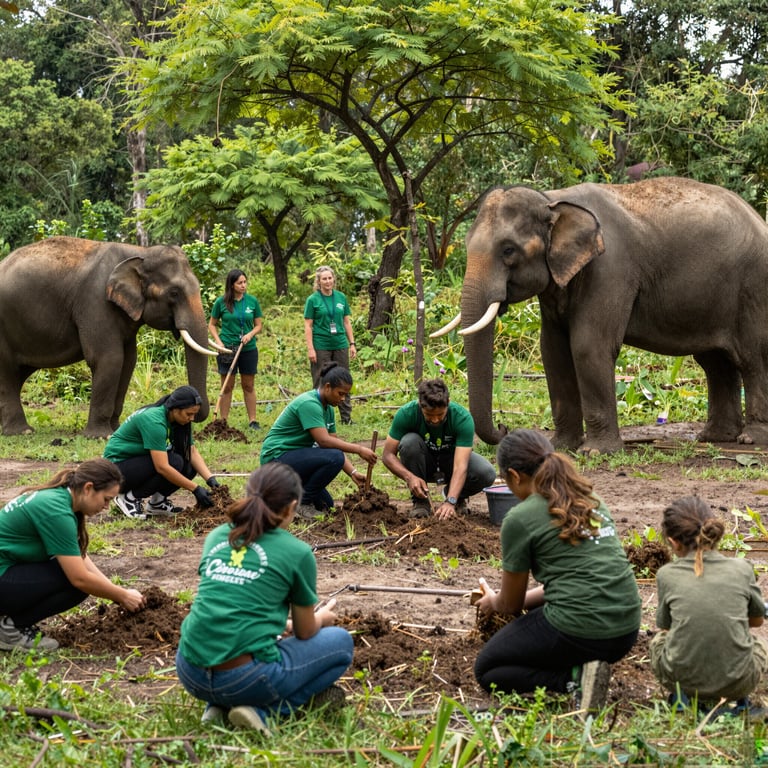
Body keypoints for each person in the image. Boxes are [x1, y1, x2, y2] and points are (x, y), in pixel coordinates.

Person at [175, 462, 354, 733]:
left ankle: (219, 707)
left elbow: (234, 600)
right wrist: (322, 617)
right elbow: (306, 633)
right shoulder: (297, 552)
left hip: (190, 671)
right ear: (292, 506)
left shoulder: (217, 537)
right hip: (244, 677)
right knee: (340, 643)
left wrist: (282, 624)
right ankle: (265, 711)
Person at [473, 429, 641, 712]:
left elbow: (510, 606)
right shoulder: (591, 500)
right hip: (626, 627)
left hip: (581, 628)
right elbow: (574, 580)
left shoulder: (520, 518)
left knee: (489, 669)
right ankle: (586, 668)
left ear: (513, 476)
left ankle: (574, 679)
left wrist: (492, 600)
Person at [0, 459, 146, 651]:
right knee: (76, 584)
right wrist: (122, 595)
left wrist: (116, 592)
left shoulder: (61, 498)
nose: (106, 507)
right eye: (106, 499)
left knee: (78, 576)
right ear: (88, 488)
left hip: (8, 571)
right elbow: (79, 578)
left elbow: (80, 557)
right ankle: (9, 629)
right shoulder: (56, 510)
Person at [650, 496, 768, 711]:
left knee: (659, 640)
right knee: (757, 642)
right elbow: (757, 621)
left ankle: (681, 699)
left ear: (673, 542)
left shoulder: (666, 574)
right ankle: (739, 699)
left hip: (682, 681)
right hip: (740, 681)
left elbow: (667, 628)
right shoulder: (742, 568)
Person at [259, 362, 376, 517]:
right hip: (276, 459)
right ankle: (302, 504)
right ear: (327, 387)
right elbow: (324, 442)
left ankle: (283, 500)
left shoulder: (327, 408)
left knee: (326, 505)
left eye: (346, 395)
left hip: (294, 459)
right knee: (335, 458)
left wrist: (353, 472)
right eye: (340, 393)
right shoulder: (309, 403)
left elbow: (333, 446)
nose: (343, 399)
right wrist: (359, 449)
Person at [381, 378, 496, 519]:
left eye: (440, 415)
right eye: (429, 415)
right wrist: (409, 477)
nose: (435, 420)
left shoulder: (462, 418)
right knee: (409, 442)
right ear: (420, 405)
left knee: (486, 472)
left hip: (451, 463)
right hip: (423, 464)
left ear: (448, 403)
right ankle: (421, 503)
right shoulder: (406, 414)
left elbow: (461, 466)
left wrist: (451, 500)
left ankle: (456, 495)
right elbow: (387, 455)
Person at [103, 385, 218, 519]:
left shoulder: (178, 421)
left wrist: (211, 479)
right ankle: (129, 498)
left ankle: (157, 503)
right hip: (114, 471)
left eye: (194, 414)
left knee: (188, 464)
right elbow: (162, 467)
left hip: (137, 463)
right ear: (175, 409)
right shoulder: (154, 421)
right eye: (189, 414)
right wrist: (195, 489)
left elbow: (191, 451)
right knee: (174, 462)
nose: (192, 418)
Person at [208, 269, 264, 429]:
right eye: (240, 283)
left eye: (245, 282)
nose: (243, 285)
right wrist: (219, 343)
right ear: (232, 285)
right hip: (227, 349)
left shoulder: (252, 301)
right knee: (227, 385)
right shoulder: (221, 302)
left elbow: (258, 325)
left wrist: (250, 334)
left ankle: (253, 420)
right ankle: (223, 421)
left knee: (248, 385)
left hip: (248, 349)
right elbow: (211, 325)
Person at [304, 266, 356, 424]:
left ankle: (346, 418)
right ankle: (319, 417)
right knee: (321, 379)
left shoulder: (341, 297)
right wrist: (311, 348)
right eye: (324, 279)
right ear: (318, 282)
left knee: (344, 378)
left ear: (334, 279)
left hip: (340, 343)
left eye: (330, 278)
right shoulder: (313, 300)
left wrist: (352, 343)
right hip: (321, 345)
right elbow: (308, 326)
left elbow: (346, 322)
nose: (327, 281)